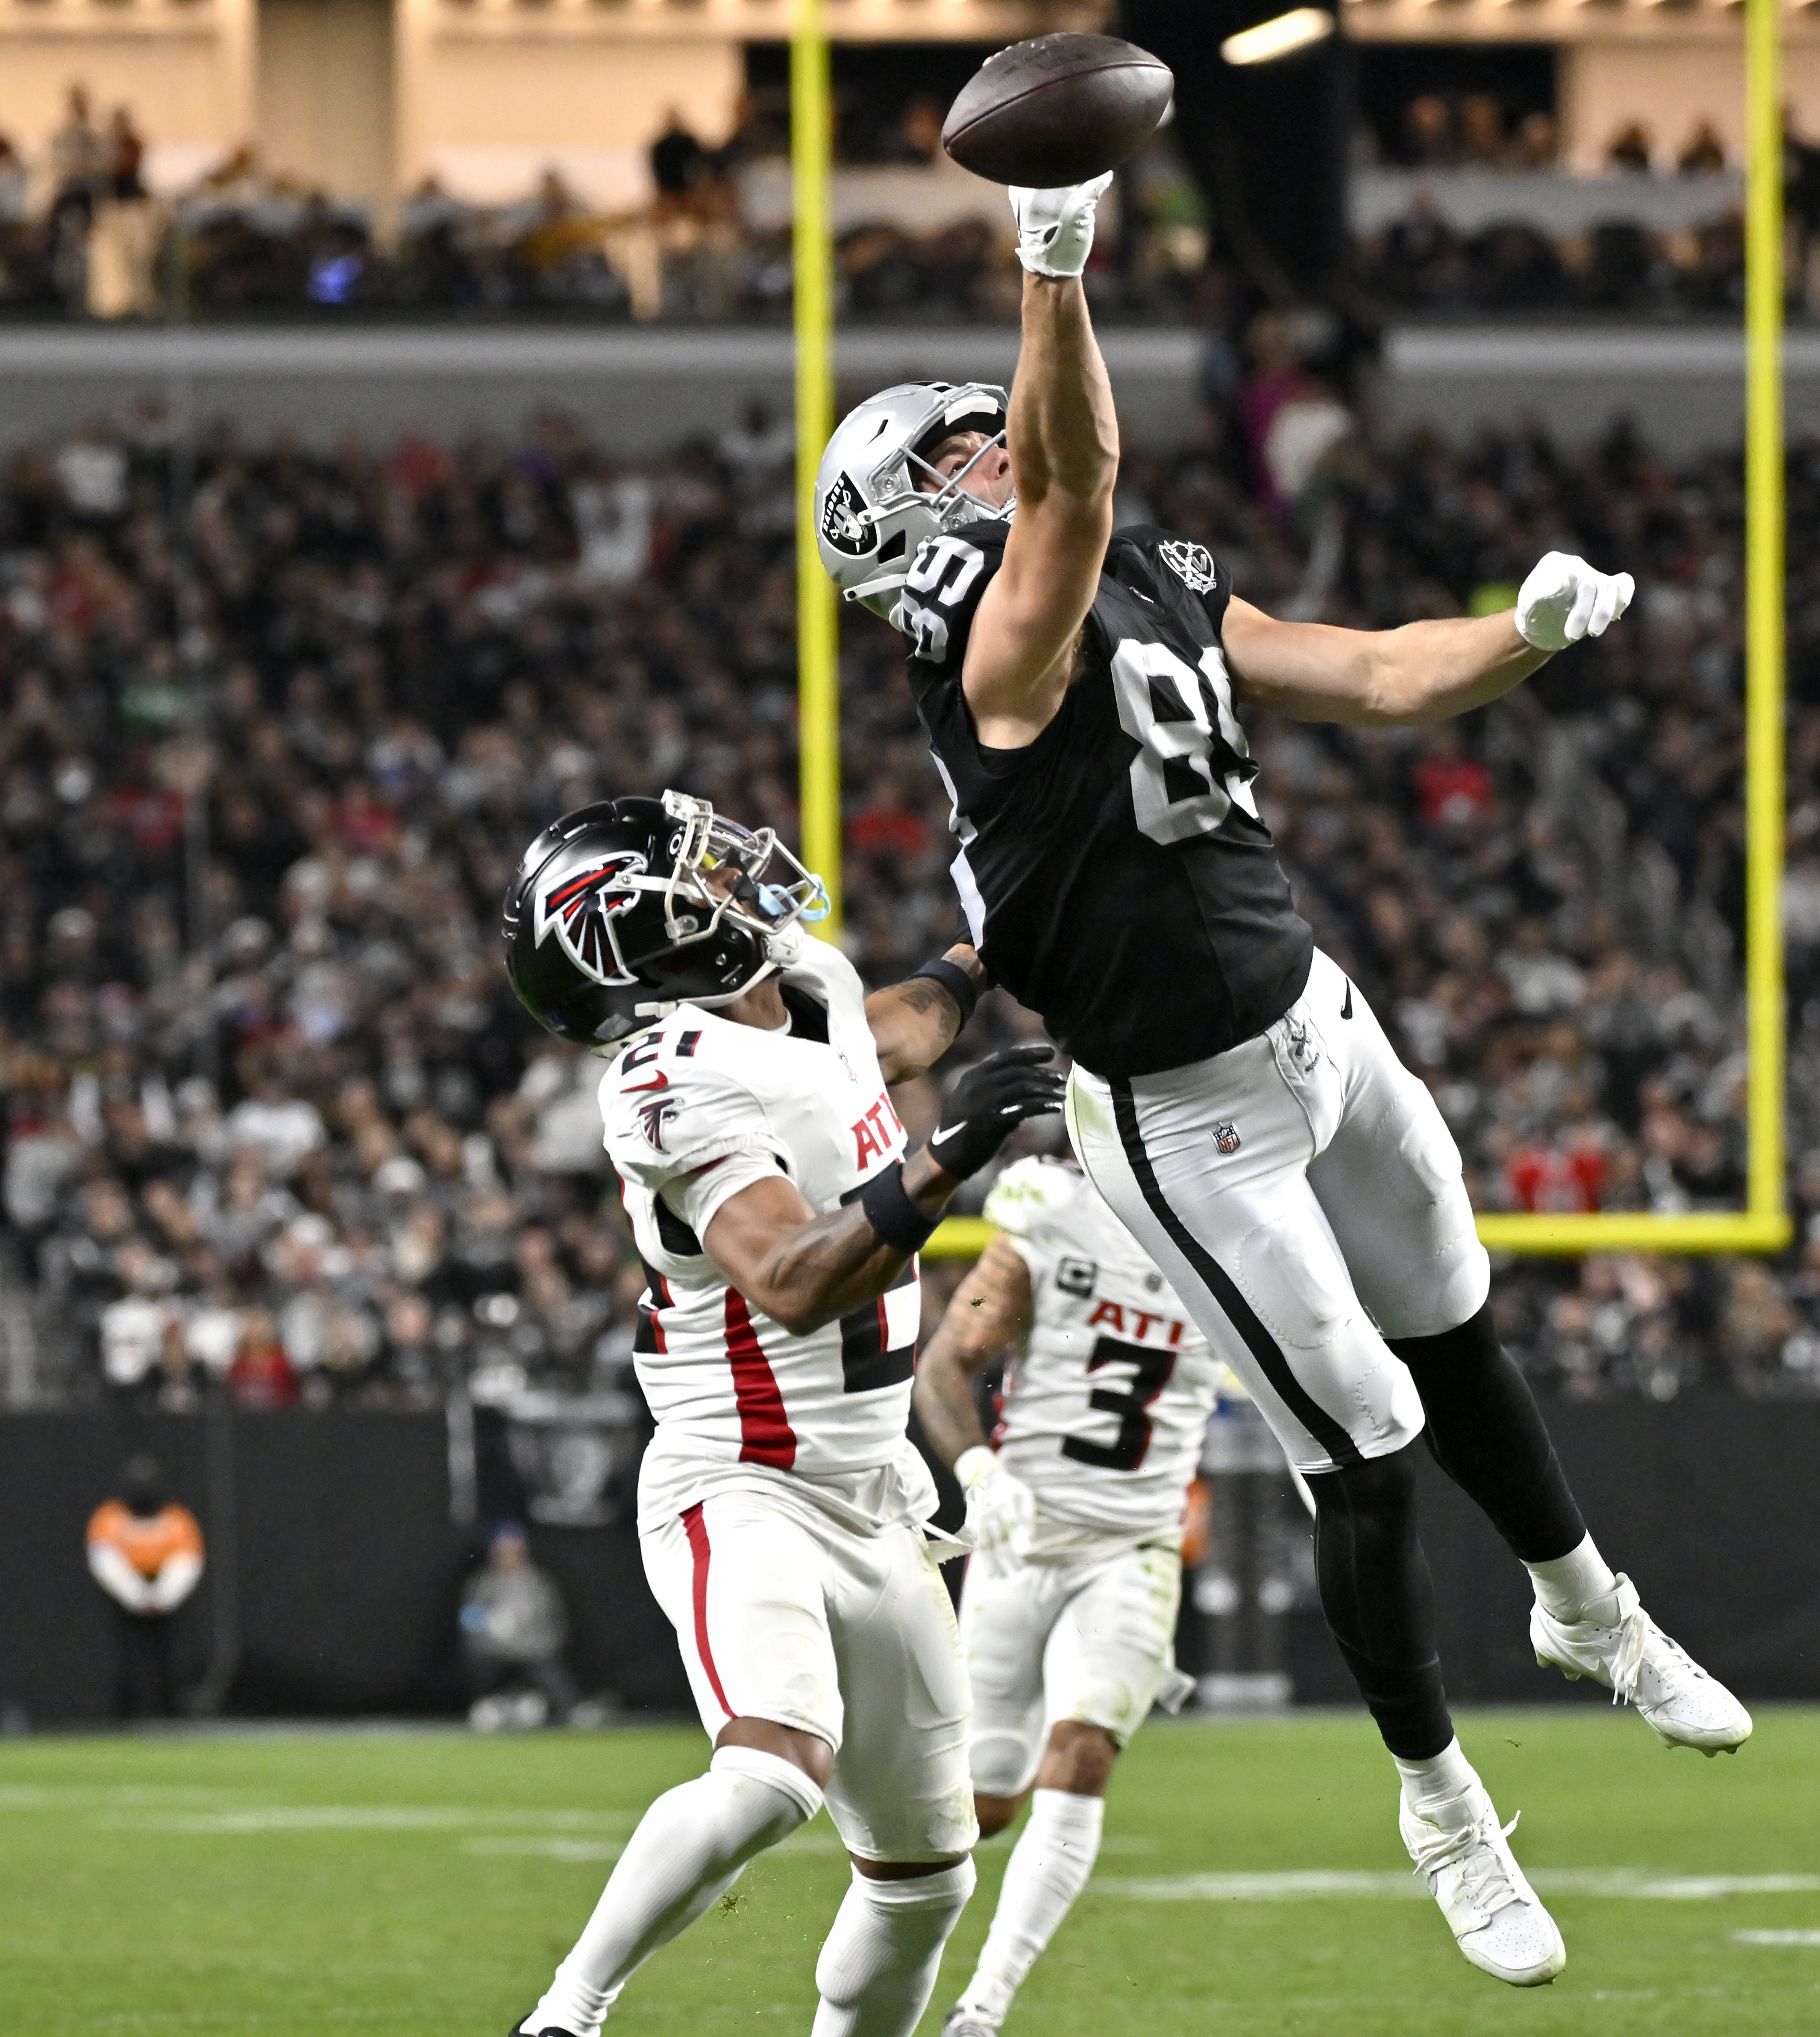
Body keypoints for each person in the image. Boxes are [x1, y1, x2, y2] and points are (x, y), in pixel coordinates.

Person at [809, 172, 1743, 1994]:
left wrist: (1527, 633)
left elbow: (1379, 674)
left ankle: (1591, 1612)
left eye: (994, 436)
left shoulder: (1140, 576)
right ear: (892, 532)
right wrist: (1052, 260)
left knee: (1460, 1327)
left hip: (1317, 1014)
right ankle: (1444, 1803)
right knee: (1370, 1449)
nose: (992, 452)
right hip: (1178, 1119)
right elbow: (1072, 490)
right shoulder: (995, 652)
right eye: (953, 456)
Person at [497, 789, 1059, 2037]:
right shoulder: (667, 1082)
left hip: (872, 1498)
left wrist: (992, 941)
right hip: (741, 1479)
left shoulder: (798, 977)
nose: (734, 873)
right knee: (771, 1769)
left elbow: (889, 1032)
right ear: (637, 939)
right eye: (696, 873)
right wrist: (949, 1152)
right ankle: (565, 2014)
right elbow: (795, 1279)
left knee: (928, 1877)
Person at [912, 1153, 1221, 2037]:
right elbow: (947, 1366)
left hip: (1134, 1548)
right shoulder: (1050, 1216)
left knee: (1081, 1750)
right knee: (984, 1801)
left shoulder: (1237, 1247)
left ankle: (983, 2009)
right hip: (1022, 1537)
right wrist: (977, 1470)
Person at [85, 1457, 204, 1719]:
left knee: (171, 1657)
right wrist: (137, 1596)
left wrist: (163, 1596)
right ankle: (126, 1716)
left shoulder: (176, 1518)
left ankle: (173, 1714)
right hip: (126, 1596)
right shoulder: (110, 1516)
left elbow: (187, 1560)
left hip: (168, 1597)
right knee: (127, 1658)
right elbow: (105, 1560)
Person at [462, 1522, 594, 1730]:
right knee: (477, 1664)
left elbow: (553, 1621)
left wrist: (533, 1641)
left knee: (548, 1668)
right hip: (492, 1647)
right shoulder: (484, 1583)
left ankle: (571, 1709)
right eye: (503, 1549)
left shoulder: (537, 1582)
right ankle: (486, 1705)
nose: (509, 1555)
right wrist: (489, 1623)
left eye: (514, 1548)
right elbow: (467, 1618)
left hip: (532, 1647)